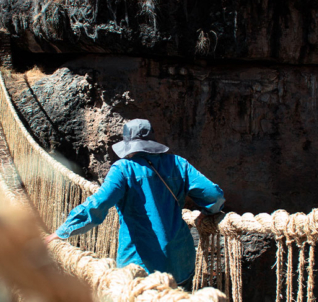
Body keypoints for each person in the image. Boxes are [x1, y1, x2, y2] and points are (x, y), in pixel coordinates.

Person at [44, 119, 225, 289]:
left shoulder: (123, 169)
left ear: (128, 145)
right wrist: (208, 211)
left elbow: (98, 204)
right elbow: (213, 194)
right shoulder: (178, 163)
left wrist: (62, 232)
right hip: (180, 264)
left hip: (139, 267)